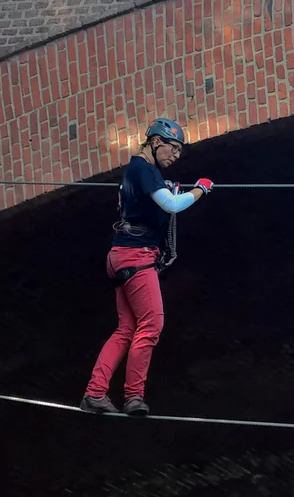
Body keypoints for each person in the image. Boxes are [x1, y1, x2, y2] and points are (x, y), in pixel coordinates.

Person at [81, 117, 214, 417]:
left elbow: (152, 202)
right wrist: (201, 189)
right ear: (156, 142)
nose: (176, 156)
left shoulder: (137, 171)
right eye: (174, 149)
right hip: (136, 256)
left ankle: (95, 393)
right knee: (151, 326)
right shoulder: (144, 169)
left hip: (119, 255)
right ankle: (134, 397)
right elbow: (171, 205)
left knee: (126, 329)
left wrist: (170, 189)